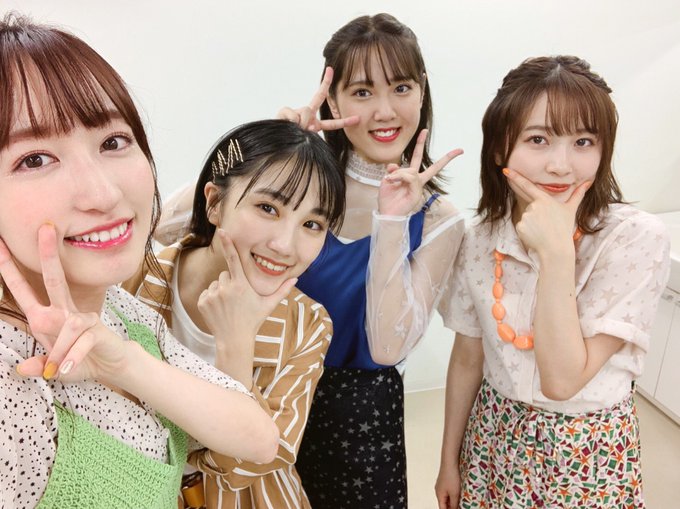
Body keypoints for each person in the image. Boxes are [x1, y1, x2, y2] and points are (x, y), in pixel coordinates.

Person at [0, 14, 279, 509]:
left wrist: (125, 363)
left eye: (113, 141)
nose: (104, 194)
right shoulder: (13, 386)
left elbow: (258, 438)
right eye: (35, 159)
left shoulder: (124, 315)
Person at [435, 55, 670, 509]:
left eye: (583, 141)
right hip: (493, 436)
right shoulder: (480, 238)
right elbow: (467, 358)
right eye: (538, 139)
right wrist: (449, 459)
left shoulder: (634, 239)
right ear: (500, 148)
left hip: (587, 451)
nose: (561, 166)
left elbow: (562, 381)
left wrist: (557, 253)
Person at [275, 13, 465, 508]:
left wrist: (392, 222)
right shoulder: (302, 184)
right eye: (362, 92)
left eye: (401, 87)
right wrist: (273, 152)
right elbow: (171, 226)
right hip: (267, 400)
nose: (385, 111)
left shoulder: (439, 219)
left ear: (421, 91)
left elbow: (385, 347)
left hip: (360, 422)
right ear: (333, 102)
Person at [124, 119, 344, 508]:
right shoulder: (131, 281)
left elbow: (255, 461)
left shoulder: (309, 324)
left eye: (312, 224)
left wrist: (236, 344)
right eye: (268, 208)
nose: (285, 245)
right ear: (214, 203)